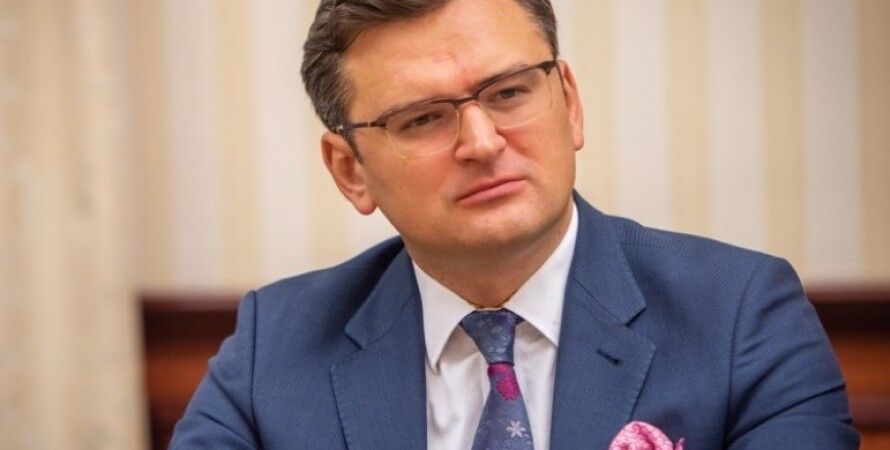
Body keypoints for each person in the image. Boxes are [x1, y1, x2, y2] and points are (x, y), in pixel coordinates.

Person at [170, 0, 859, 448]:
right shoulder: (274, 349)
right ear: (351, 171)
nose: (482, 142)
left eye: (508, 93)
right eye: (423, 119)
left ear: (569, 103)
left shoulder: (739, 316)